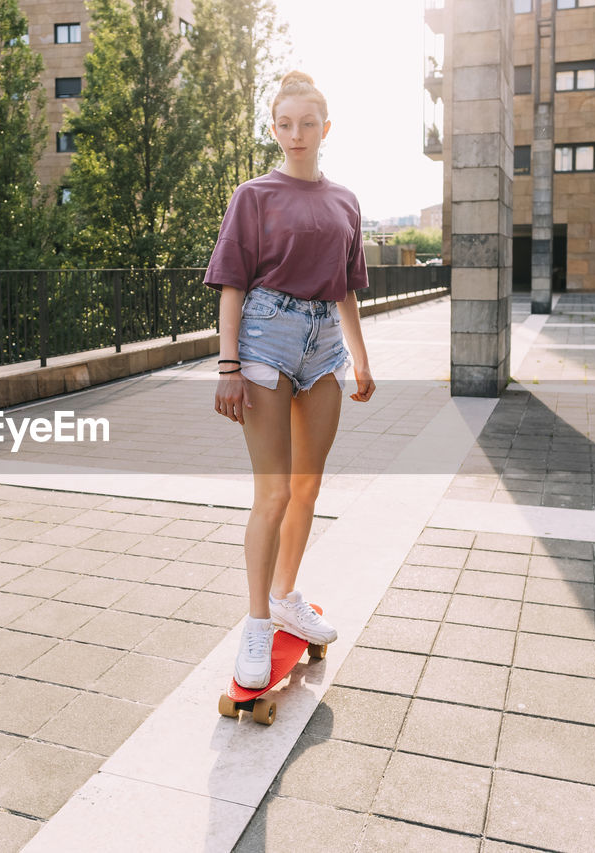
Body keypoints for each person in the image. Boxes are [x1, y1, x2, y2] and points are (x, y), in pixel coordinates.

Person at [204, 71, 375, 690]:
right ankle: (255, 624)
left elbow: (348, 290)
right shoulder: (253, 195)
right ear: (273, 128)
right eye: (284, 124)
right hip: (265, 340)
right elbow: (231, 284)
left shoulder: (346, 201)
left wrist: (360, 358)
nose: (295, 134)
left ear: (325, 129)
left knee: (307, 489)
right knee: (272, 494)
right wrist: (227, 366)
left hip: (324, 343)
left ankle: (284, 598)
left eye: (307, 124)